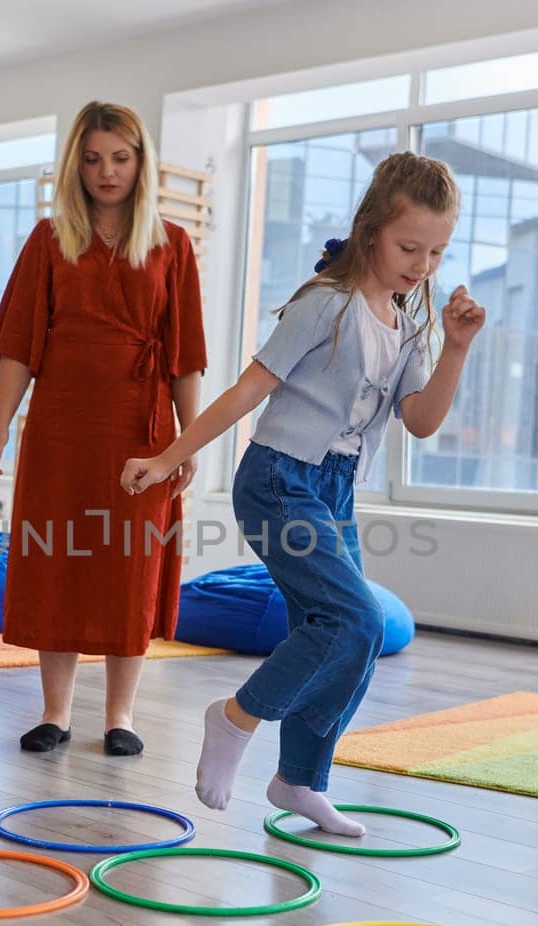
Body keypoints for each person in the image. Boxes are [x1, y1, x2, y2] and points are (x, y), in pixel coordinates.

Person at [121, 151, 485, 834]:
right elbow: (247, 390)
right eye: (410, 246)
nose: (423, 264)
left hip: (334, 491)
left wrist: (456, 347)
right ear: (373, 228)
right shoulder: (326, 304)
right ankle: (234, 717)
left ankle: (298, 779)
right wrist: (169, 456)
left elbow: (423, 419)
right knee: (357, 619)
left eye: (437, 251)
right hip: (277, 480)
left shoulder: (409, 323)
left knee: (346, 636)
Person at [0, 100, 206, 757]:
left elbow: (186, 353)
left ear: (142, 164)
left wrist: (185, 443)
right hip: (60, 426)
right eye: (93, 158)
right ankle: (54, 711)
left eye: (121, 158)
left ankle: (121, 715)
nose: (107, 172)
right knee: (60, 560)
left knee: (128, 569)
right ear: (75, 164)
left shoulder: (173, 244)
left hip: (140, 429)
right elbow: (21, 344)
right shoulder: (49, 240)